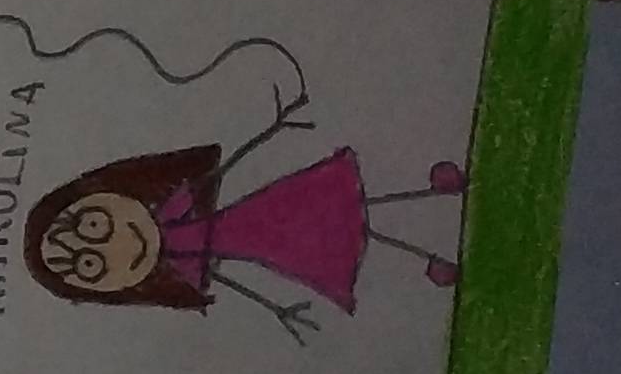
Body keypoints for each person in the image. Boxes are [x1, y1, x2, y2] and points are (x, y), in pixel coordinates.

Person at [24, 144, 464, 339]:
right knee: (340, 228)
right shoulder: (180, 262)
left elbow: (225, 166)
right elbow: (228, 278)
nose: (116, 245)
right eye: (91, 267)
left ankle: (433, 197)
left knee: (336, 203)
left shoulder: (176, 207)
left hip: (262, 213)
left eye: (95, 225)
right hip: (262, 246)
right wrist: (277, 309)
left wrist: (274, 127)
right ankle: (431, 253)